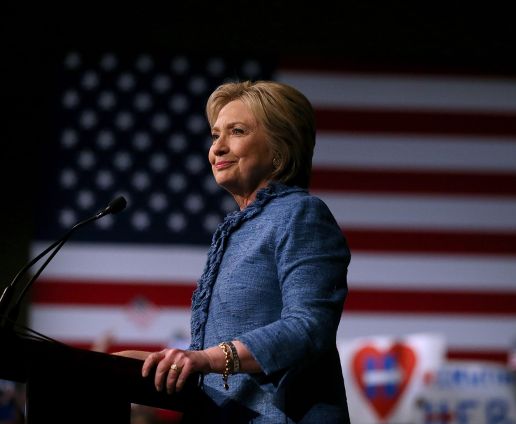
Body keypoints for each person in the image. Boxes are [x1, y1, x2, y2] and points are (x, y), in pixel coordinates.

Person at [117, 80, 351, 423]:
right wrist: (152, 361)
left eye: (236, 131)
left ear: (279, 148)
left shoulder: (301, 215)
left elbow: (308, 327)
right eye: (215, 136)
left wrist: (208, 359)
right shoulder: (236, 229)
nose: (218, 148)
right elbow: (215, 357)